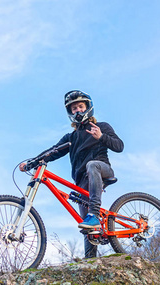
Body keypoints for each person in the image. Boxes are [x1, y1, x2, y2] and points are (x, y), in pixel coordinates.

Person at [19, 90, 124, 258]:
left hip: (101, 169)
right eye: (74, 108)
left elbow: (119, 146)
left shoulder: (101, 127)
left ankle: (94, 214)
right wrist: (31, 162)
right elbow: (52, 152)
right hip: (82, 182)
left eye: (80, 106)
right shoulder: (71, 137)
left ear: (88, 108)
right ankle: (90, 261)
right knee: (87, 228)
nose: (77, 111)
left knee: (92, 166)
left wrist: (101, 137)